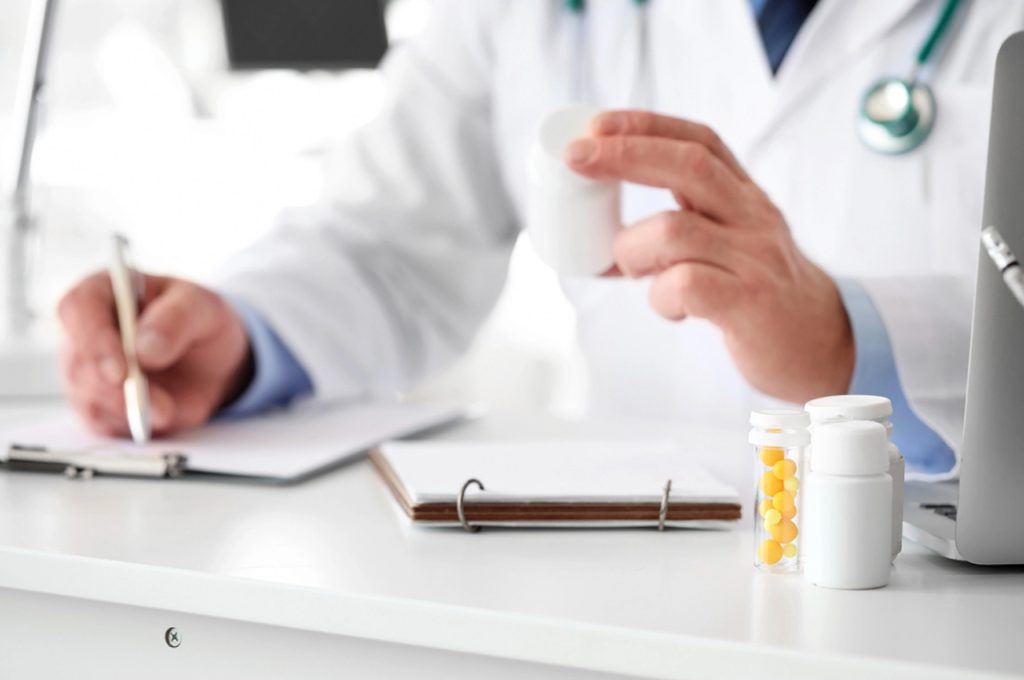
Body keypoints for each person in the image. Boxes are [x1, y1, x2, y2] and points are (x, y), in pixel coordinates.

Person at [56, 1, 1024, 479]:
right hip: (628, 579)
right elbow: (386, 241)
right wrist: (238, 335)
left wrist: (851, 346)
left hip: (947, 599)